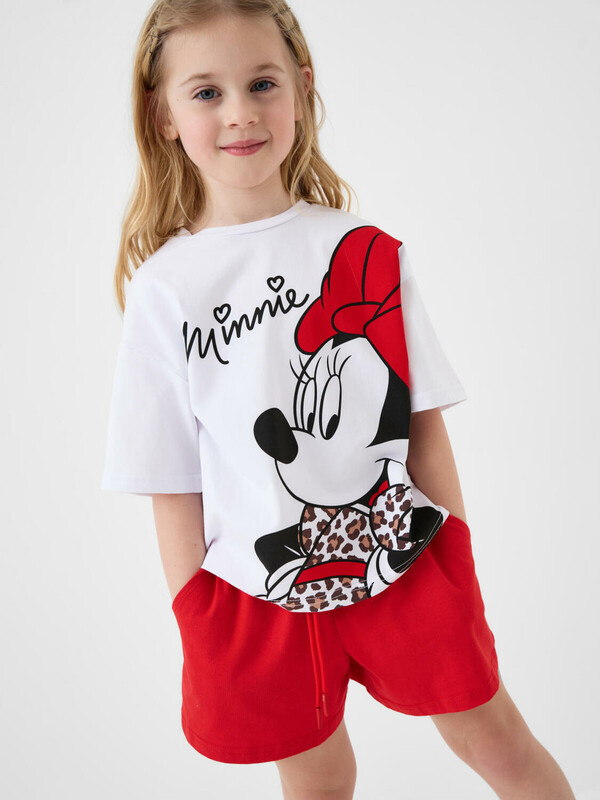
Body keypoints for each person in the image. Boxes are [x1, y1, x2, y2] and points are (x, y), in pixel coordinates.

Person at [101, 1, 576, 797]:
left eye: (262, 83)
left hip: (403, 556)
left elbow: (421, 422)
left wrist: (454, 548)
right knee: (318, 776)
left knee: (494, 738)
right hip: (258, 590)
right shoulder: (165, 290)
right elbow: (170, 477)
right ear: (164, 116)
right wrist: (196, 611)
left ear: (302, 86)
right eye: (207, 92)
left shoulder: (365, 251)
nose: (241, 112)